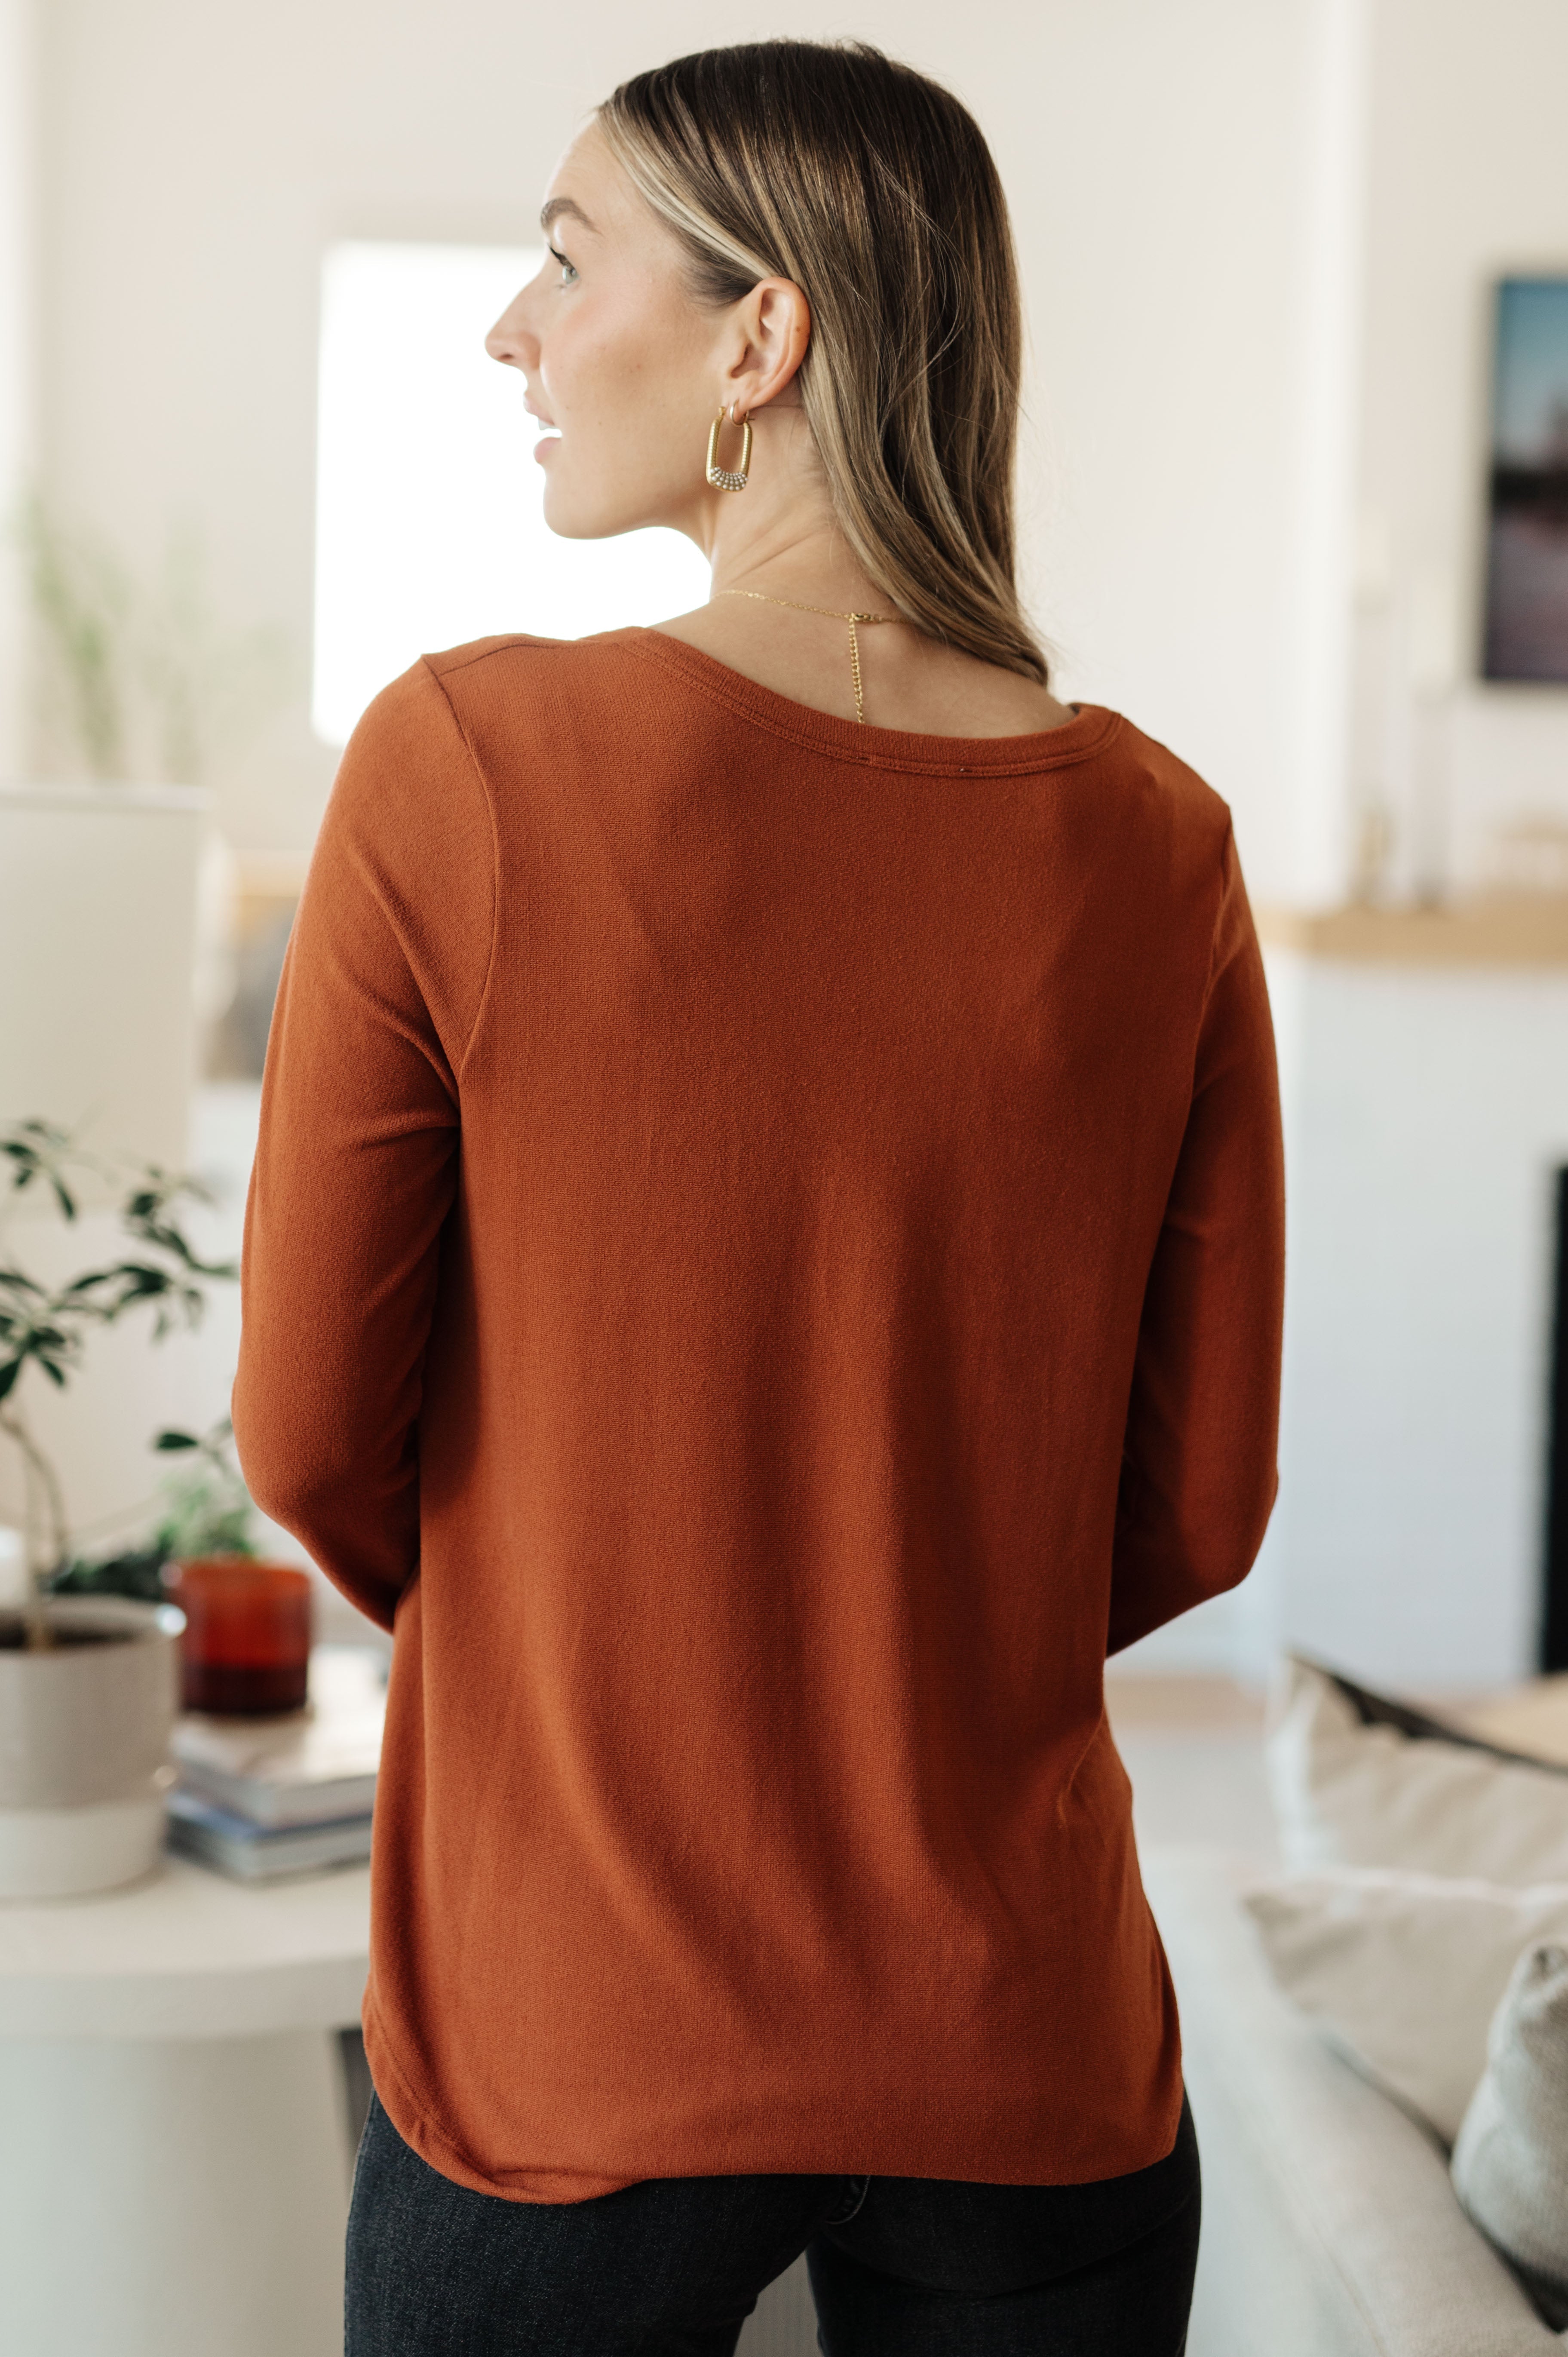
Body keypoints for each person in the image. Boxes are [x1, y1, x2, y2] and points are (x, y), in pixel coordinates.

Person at [232, 37, 1284, 2357]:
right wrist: (907, 1622)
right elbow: (1201, 1507)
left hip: (574, 2040)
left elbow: (306, 1430)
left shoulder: (464, 765)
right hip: (1029, 2053)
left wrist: (600, 1621)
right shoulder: (1164, 847)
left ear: (761, 338)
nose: (515, 326)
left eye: (567, 253)